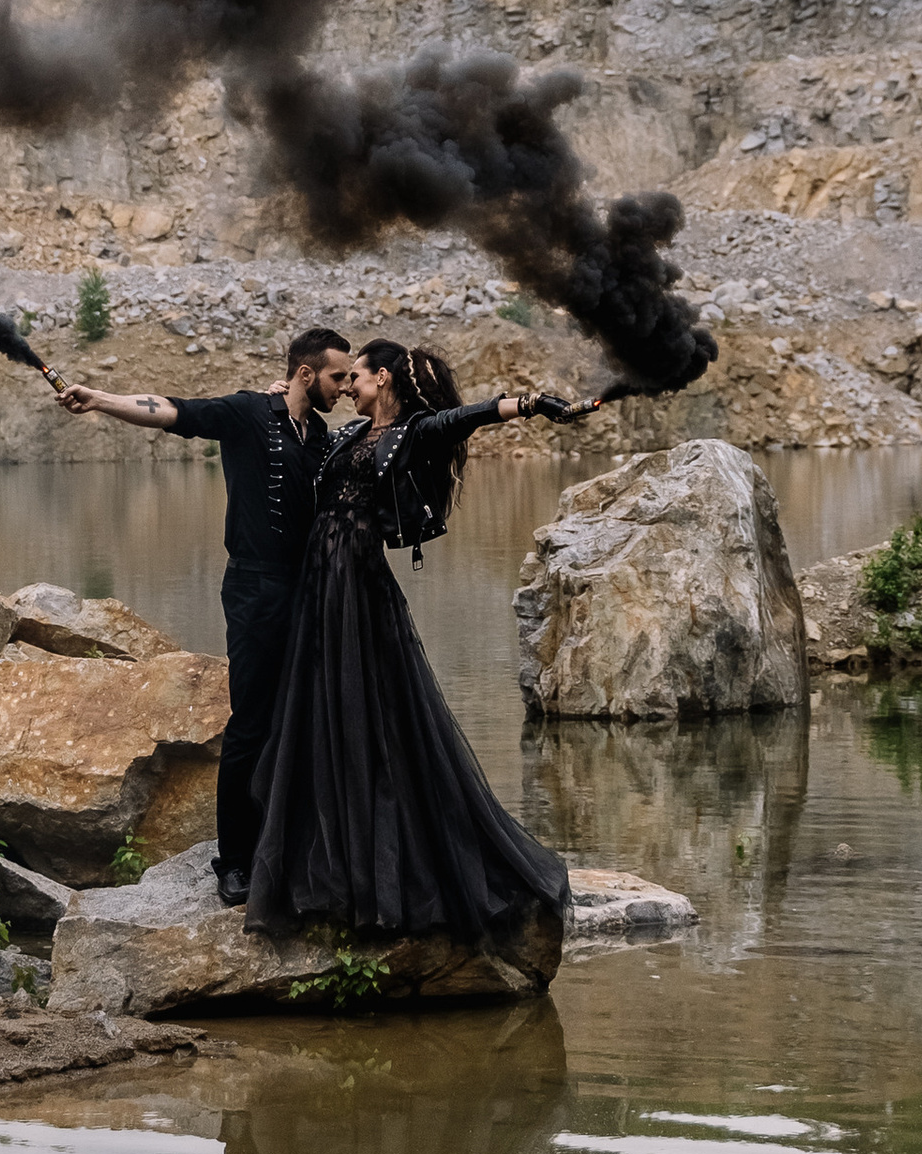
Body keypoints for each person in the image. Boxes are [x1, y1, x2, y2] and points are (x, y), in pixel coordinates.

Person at [246, 339, 581, 953]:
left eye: (357, 376)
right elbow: (303, 441)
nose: (348, 386)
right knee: (322, 706)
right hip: (320, 583)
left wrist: (532, 404)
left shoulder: (414, 430)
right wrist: (282, 399)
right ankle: (326, 856)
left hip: (358, 583)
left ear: (383, 378)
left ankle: (387, 869)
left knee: (375, 709)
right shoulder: (349, 434)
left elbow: (467, 417)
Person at [57, 323, 355, 901]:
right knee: (250, 723)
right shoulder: (247, 412)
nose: (344, 387)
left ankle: (290, 846)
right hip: (254, 589)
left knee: (300, 717)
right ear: (306, 373)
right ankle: (234, 861)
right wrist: (100, 399)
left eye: (349, 378)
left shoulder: (319, 435)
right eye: (337, 376)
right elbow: (173, 410)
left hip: (308, 592)